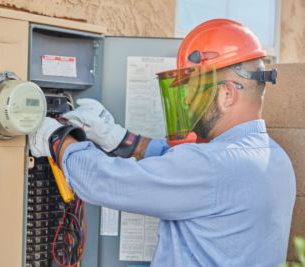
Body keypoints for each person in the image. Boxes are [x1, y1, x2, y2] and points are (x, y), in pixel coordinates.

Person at [29, 19, 296, 266]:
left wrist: (56, 137)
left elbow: (102, 182)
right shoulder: (275, 159)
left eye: (194, 93)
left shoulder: (211, 166)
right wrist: (122, 139)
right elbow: (182, 163)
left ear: (226, 94)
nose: (188, 103)